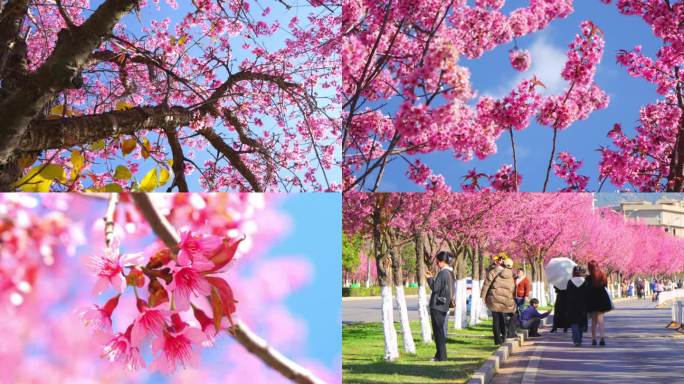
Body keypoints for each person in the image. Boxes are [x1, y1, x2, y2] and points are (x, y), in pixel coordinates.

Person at [481, 255, 517, 345]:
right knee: (503, 318)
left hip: (494, 298)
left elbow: (487, 284)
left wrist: (483, 296)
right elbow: (512, 288)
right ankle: (504, 336)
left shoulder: (495, 271)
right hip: (505, 300)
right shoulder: (511, 275)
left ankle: (497, 340)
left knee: (496, 320)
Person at [427, 251, 454, 361]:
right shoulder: (451, 273)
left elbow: (435, 287)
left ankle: (442, 357)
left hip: (437, 306)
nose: (437, 264)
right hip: (444, 305)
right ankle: (439, 355)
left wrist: (429, 278)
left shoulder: (443, 273)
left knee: (438, 332)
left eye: (437, 262)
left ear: (442, 261)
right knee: (440, 331)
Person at [586, 261, 612, 346]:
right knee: (601, 320)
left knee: (593, 321)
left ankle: (594, 339)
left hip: (592, 299)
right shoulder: (602, 275)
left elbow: (587, 288)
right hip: (601, 299)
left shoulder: (589, 278)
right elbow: (605, 285)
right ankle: (602, 338)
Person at [566, 266, 589, 346]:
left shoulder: (570, 282)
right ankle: (580, 338)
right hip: (583, 305)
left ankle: (576, 340)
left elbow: (567, 294)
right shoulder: (585, 282)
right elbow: (587, 294)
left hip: (572, 305)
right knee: (581, 322)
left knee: (574, 323)